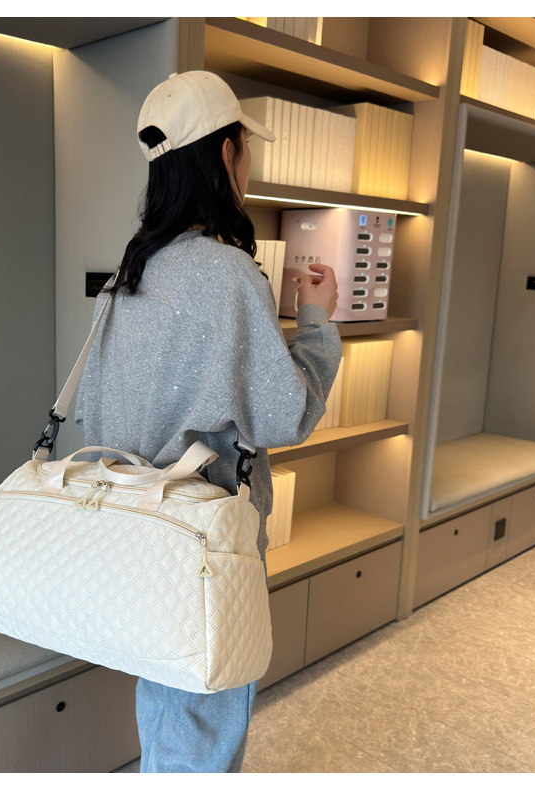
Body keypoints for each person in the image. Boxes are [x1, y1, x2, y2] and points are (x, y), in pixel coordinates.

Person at [75, 70, 342, 773]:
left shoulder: (128, 275)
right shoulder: (229, 276)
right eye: (244, 149)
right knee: (206, 715)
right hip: (205, 541)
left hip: (136, 530)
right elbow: (284, 415)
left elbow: (93, 416)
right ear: (226, 153)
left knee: (167, 702)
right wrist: (317, 323)